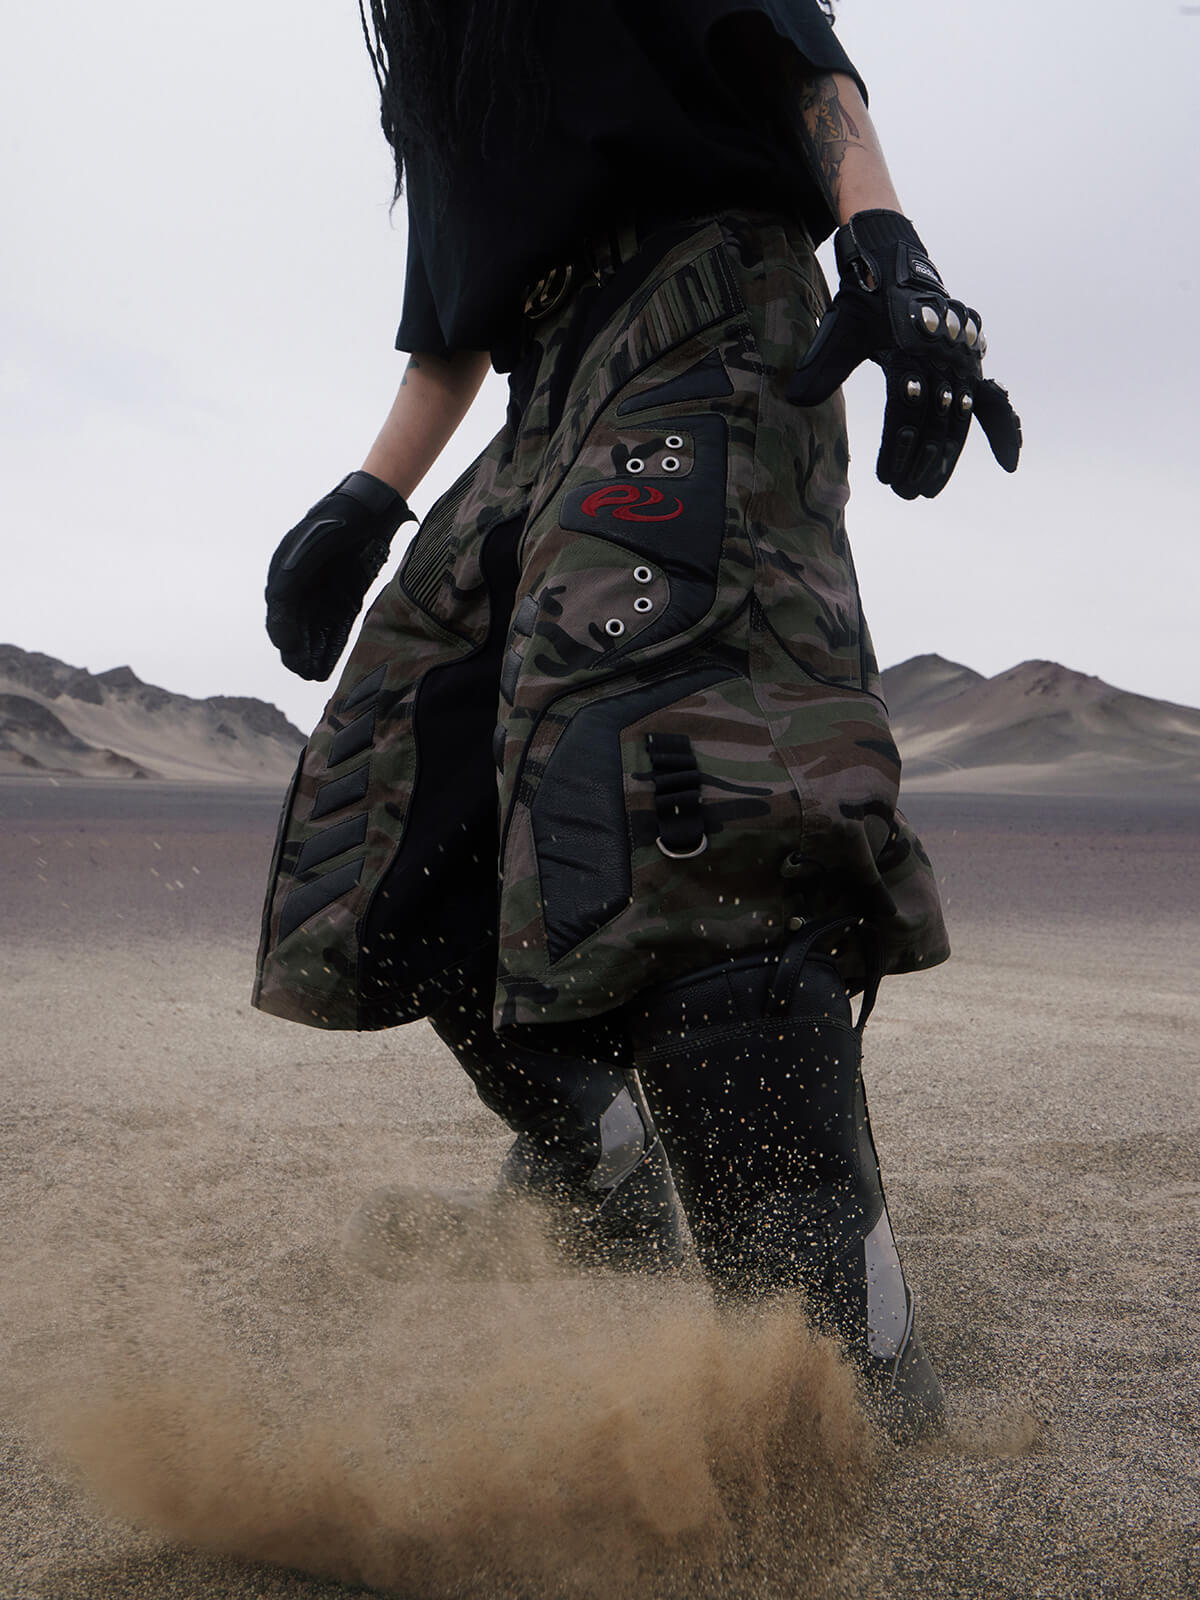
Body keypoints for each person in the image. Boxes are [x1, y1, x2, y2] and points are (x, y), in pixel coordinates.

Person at [253, 0, 1020, 1435]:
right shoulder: (443, 47)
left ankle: (847, 1397)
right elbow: (454, 333)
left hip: (707, 315)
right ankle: (606, 1167)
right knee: (391, 819)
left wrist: (886, 244)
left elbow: (796, 62)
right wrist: (365, 500)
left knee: (682, 794)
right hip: (543, 398)